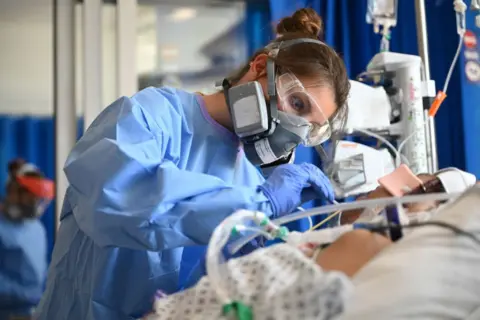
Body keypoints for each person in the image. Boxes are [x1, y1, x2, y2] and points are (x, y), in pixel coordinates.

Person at [36, 8, 350, 320]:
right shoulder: (151, 116)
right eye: (297, 104)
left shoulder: (251, 183)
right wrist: (259, 204)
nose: (294, 129)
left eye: (309, 127)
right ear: (260, 67)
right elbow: (114, 202)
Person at [0, 159, 54, 319]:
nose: (33, 201)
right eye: (27, 194)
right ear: (12, 191)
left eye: (36, 196)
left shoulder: (37, 228)